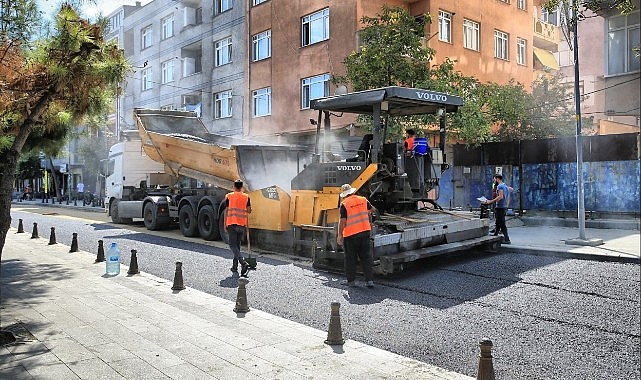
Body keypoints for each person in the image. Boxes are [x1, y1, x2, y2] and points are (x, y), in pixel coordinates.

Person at [336, 184, 376, 288]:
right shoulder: (363, 200)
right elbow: (373, 210)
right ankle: (369, 281)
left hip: (351, 235)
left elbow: (343, 221)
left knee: (350, 258)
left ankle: (351, 281)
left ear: (344, 195)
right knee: (366, 257)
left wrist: (339, 235)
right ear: (353, 192)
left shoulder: (344, 204)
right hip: (365, 232)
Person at [224, 179, 252, 277]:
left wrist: (225, 224)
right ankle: (234, 266)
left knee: (232, 245)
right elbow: (249, 210)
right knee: (237, 245)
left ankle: (243, 263)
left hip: (232, 223)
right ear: (242, 187)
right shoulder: (246, 197)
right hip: (241, 224)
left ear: (234, 187)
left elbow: (227, 211)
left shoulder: (229, 196)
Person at [483, 174, 510, 244]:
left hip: (500, 207)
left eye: (494, 179)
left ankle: (507, 239)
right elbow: (507, 197)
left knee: (502, 223)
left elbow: (500, 197)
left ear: (497, 179)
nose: (494, 181)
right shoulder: (505, 186)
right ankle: (495, 235)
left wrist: (490, 202)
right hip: (503, 207)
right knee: (498, 222)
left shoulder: (500, 186)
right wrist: (506, 206)